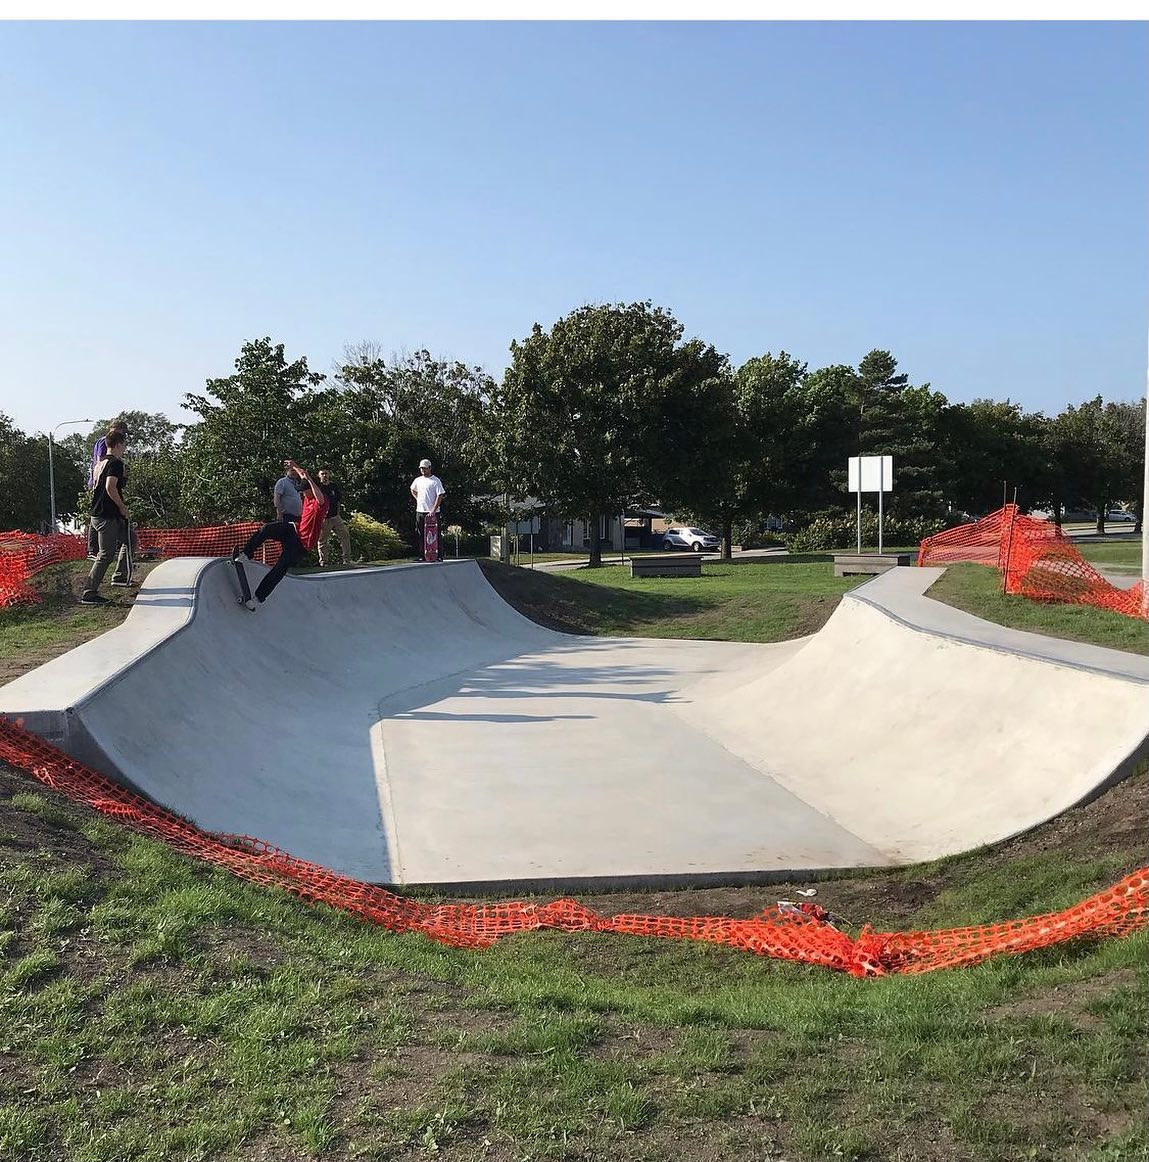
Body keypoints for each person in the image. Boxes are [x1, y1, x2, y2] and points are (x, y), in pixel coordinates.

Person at [232, 461, 329, 609]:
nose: (303, 494)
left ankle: (258, 597)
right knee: (266, 529)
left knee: (280, 567)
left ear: (311, 489)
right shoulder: (308, 495)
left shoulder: (321, 503)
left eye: (304, 491)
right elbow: (303, 473)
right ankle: (246, 554)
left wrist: (309, 480)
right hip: (294, 530)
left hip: (302, 545)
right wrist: (294, 465)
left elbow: (319, 497)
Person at [80, 430, 133, 604]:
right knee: (106, 554)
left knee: (130, 539)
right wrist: (122, 507)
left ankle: (119, 576)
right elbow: (111, 487)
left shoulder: (99, 463)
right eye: (124, 444)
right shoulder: (115, 463)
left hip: (100, 512)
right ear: (118, 444)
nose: (125, 448)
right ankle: (89, 592)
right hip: (107, 514)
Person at [87, 421, 128, 557]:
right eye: (122, 433)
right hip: (101, 477)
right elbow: (100, 461)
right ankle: (93, 548)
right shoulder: (104, 443)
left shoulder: (115, 459)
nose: (124, 436)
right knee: (99, 511)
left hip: (102, 475)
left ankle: (96, 548)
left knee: (97, 512)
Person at [410, 458, 445, 561]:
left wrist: (433, 510)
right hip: (420, 510)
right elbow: (412, 489)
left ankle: (439, 555)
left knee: (435, 534)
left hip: (433, 512)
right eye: (421, 469)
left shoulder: (435, 481)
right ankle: (422, 555)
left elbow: (440, 495)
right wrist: (418, 499)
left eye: (425, 468)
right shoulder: (418, 480)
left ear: (429, 468)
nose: (423, 471)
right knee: (420, 533)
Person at [316, 468, 352, 566]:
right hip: (324, 518)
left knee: (345, 535)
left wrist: (338, 514)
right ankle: (324, 561)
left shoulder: (333, 486)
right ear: (319, 476)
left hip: (335, 517)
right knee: (322, 540)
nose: (324, 476)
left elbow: (338, 501)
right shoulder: (318, 487)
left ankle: (347, 560)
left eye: (326, 474)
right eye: (322, 474)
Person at [273, 459, 303, 524]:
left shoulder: (298, 483)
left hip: (298, 516)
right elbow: (277, 498)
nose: (294, 472)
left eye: (295, 471)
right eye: (292, 470)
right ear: (287, 471)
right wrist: (279, 513)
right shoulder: (282, 482)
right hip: (287, 516)